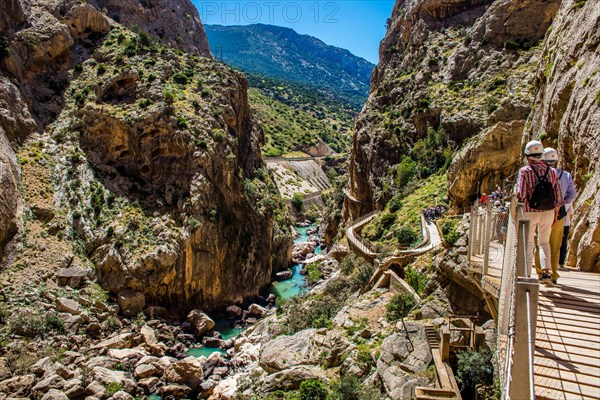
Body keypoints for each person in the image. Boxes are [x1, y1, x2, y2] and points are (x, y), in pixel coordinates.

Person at [516, 141, 564, 284]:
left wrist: (525, 208)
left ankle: (526, 274)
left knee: (528, 243)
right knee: (544, 242)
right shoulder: (553, 172)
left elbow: (521, 194)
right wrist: (552, 209)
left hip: (530, 211)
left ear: (527, 156)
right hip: (548, 212)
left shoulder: (525, 171)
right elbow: (560, 197)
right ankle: (545, 273)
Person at [534, 148, 577, 284]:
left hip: (540, 212)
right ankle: (553, 274)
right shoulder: (566, 175)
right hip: (558, 213)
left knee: (540, 243)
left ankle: (541, 273)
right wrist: (562, 204)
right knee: (555, 244)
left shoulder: (537, 174)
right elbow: (572, 195)